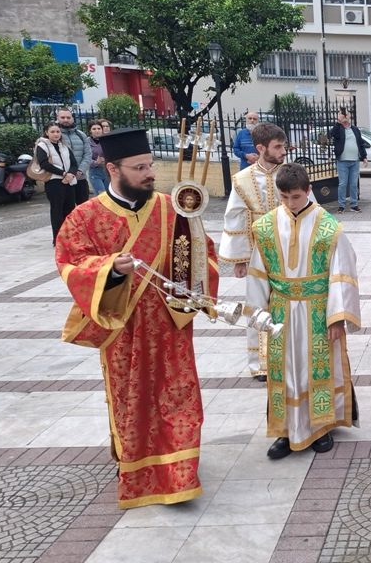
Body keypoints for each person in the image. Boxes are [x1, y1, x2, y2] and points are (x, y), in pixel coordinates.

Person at [55, 127, 219, 508]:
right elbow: (70, 261)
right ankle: (135, 466)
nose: (149, 174)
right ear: (113, 169)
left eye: (150, 165)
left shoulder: (171, 207)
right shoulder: (86, 217)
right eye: (139, 167)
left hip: (169, 327)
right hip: (123, 331)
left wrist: (191, 280)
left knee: (178, 398)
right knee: (132, 400)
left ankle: (180, 474)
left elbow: (204, 255)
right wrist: (111, 269)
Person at [247, 163, 360, 459]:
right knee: (285, 371)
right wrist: (259, 314)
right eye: (283, 197)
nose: (289, 203)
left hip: (318, 310)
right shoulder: (265, 226)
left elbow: (342, 272)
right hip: (282, 309)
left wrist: (338, 317)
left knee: (316, 370)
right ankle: (286, 431)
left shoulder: (328, 227)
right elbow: (258, 272)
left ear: (308, 191)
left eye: (295, 197)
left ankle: (320, 427)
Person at [221, 123, 314, 381]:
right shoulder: (242, 179)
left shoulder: (294, 174)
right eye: (278, 147)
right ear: (261, 148)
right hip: (258, 254)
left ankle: (294, 357)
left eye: (284, 146)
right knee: (258, 307)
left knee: (294, 304)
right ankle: (261, 363)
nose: (283, 151)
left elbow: (311, 208)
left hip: (292, 250)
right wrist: (239, 259)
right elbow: (235, 217)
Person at [36, 122, 79, 245]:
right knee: (57, 210)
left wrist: (70, 174)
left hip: (69, 181)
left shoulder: (64, 146)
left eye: (58, 132)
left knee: (70, 210)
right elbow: (44, 164)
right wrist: (63, 173)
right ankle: (58, 238)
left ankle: (70, 236)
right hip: (54, 181)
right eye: (53, 132)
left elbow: (74, 163)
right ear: (46, 133)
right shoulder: (42, 146)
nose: (56, 134)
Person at [330, 107, 367, 213]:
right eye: (343, 115)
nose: (345, 117)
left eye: (346, 115)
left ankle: (354, 204)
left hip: (354, 160)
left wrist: (364, 156)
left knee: (353, 184)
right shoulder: (338, 129)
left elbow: (360, 143)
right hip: (342, 161)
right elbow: (331, 134)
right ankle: (341, 205)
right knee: (342, 184)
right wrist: (338, 121)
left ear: (350, 116)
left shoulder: (355, 129)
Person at [57, 108, 91, 205]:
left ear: (72, 118)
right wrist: (66, 173)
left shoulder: (81, 135)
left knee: (84, 208)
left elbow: (88, 154)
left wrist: (81, 170)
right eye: (62, 117)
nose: (66, 120)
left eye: (68, 117)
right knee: (67, 210)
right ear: (57, 118)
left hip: (80, 178)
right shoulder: (54, 135)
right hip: (63, 179)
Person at [86, 120, 110, 197]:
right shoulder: (87, 142)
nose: (97, 131)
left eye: (99, 128)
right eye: (94, 129)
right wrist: (96, 162)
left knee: (109, 195)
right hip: (95, 172)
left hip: (107, 170)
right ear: (90, 130)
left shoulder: (106, 140)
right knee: (102, 195)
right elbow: (86, 157)